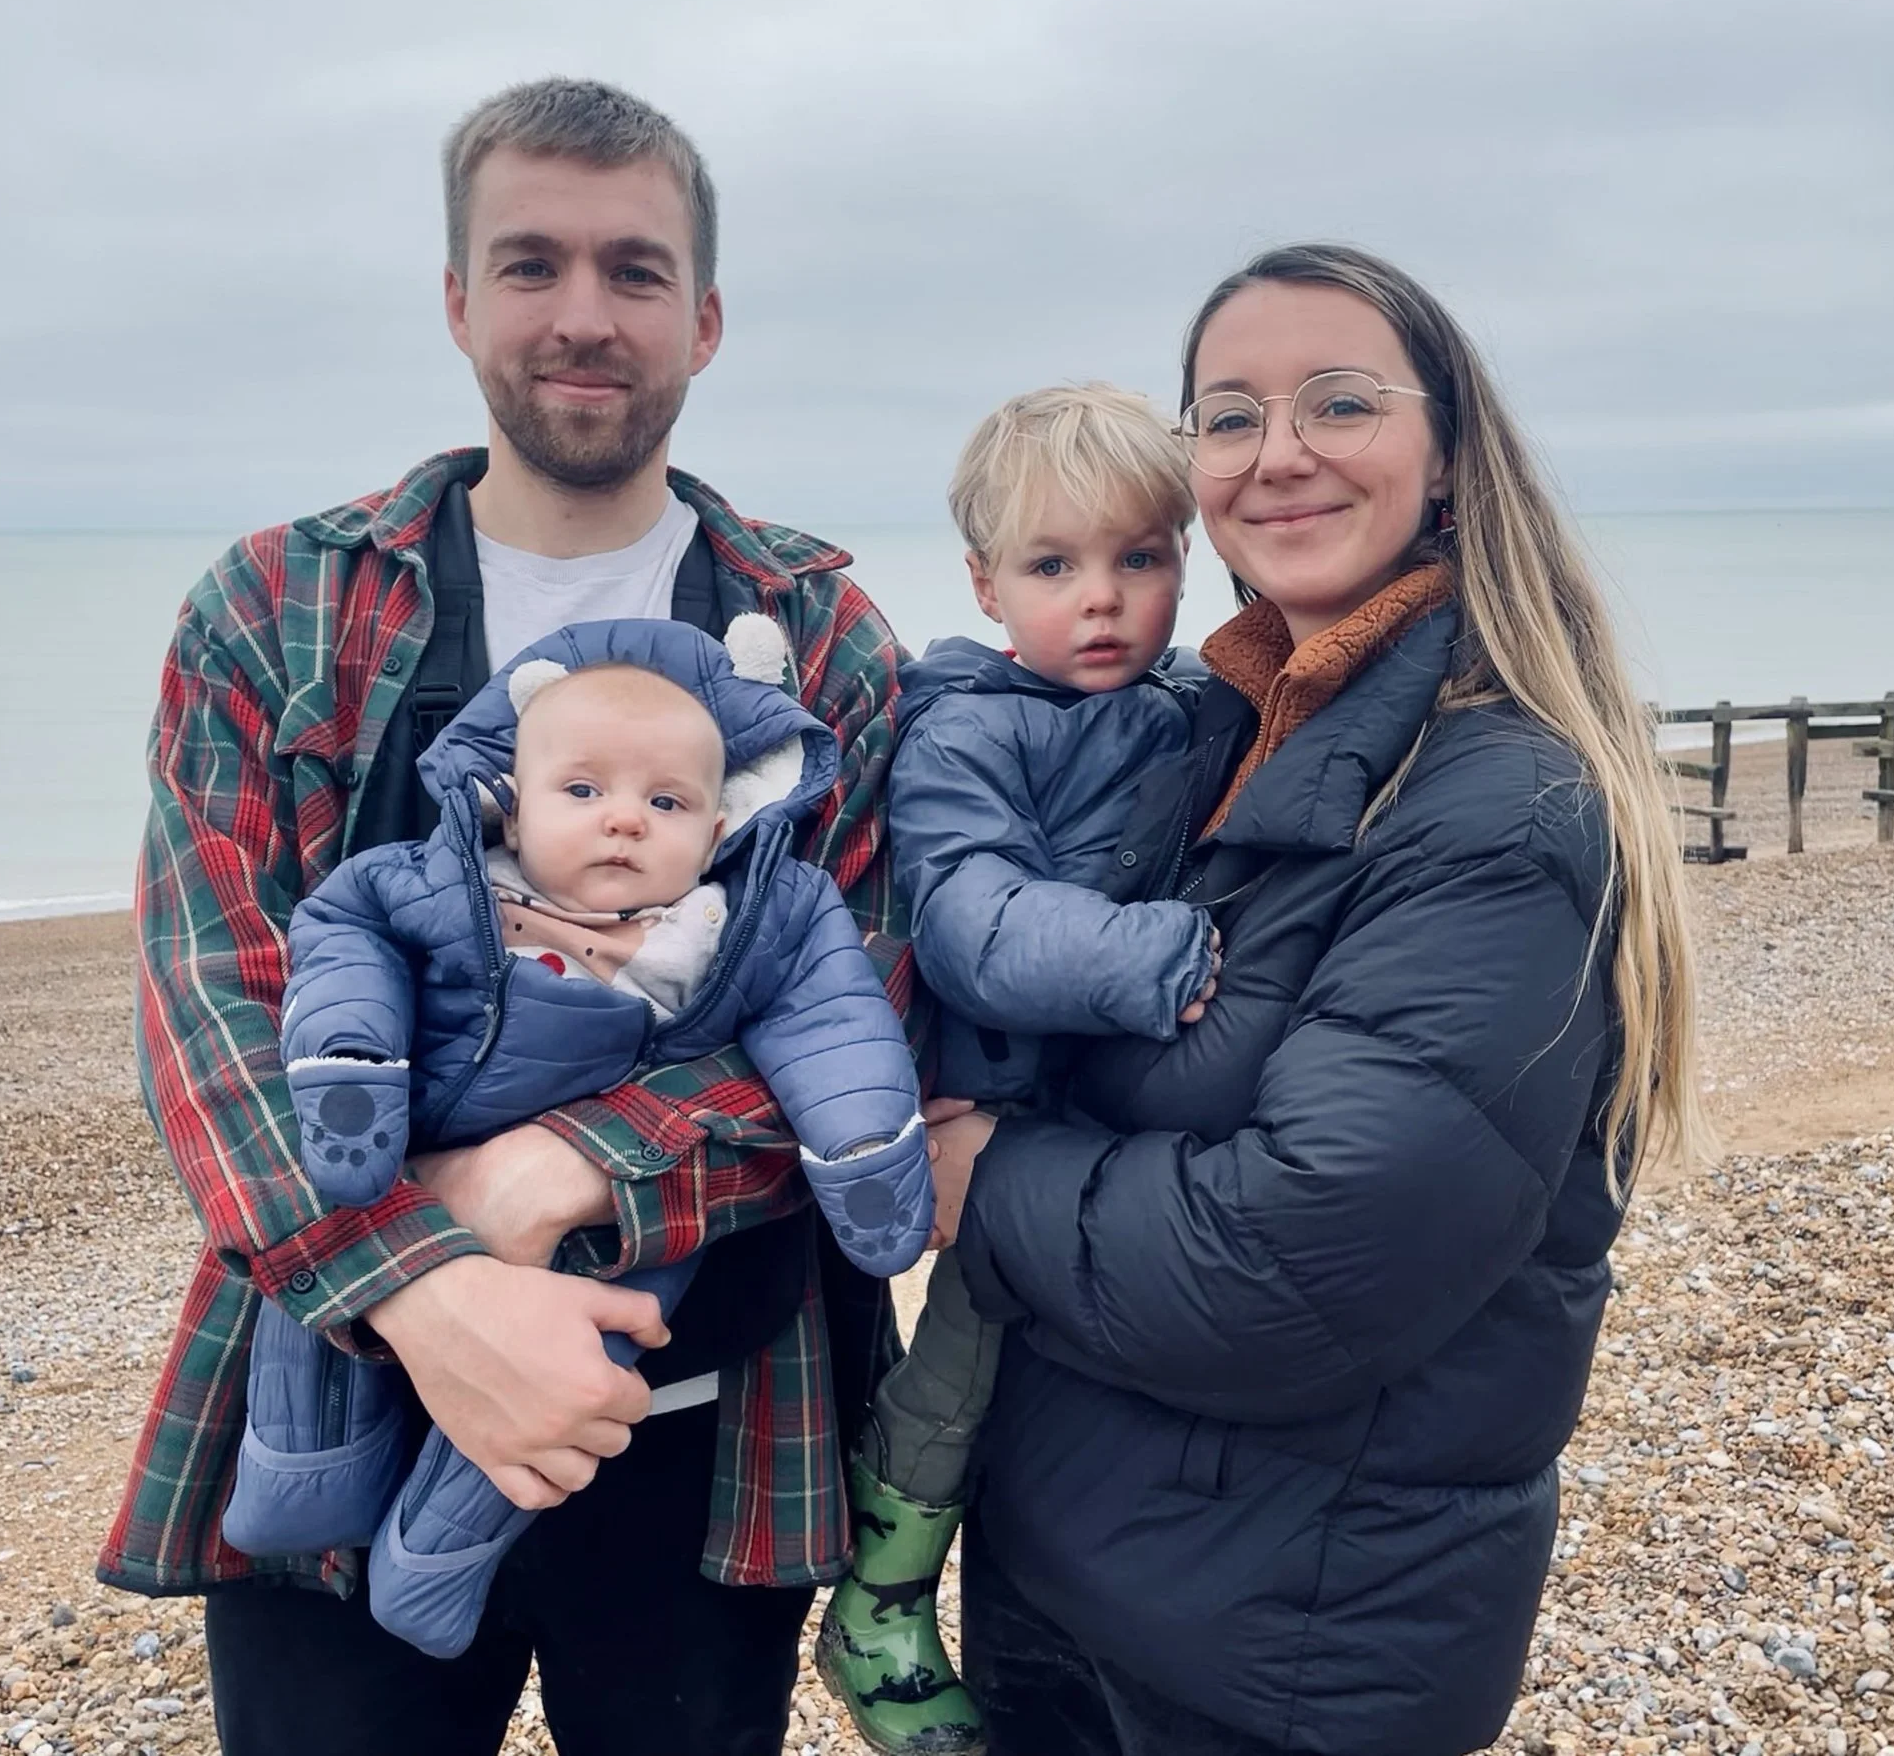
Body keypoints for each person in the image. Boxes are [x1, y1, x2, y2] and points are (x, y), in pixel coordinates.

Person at [96, 78, 914, 1756]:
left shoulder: (816, 635)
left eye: (633, 270)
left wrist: (566, 1169)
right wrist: (429, 1290)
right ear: (460, 300)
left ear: (705, 317)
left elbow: (864, 1003)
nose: (583, 317)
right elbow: (215, 1002)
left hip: (707, 1425)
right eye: (531, 265)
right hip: (342, 1382)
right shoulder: (280, 606)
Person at [932, 244, 1710, 1756]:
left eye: (1338, 401)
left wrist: (982, 1172)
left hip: (1279, 1648)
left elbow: (1292, 1260)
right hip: (1079, 1574)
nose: (1277, 451)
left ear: (1448, 455)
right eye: (1227, 415)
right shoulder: (1208, 731)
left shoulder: (1498, 795)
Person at [221, 620, 932, 1663]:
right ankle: (299, 1470)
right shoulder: (447, 879)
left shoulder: (733, 922)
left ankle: (436, 1560)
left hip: (625, 1241)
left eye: (667, 802)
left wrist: (865, 1147)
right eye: (583, 792)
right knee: (324, 1277)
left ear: (726, 815)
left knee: (586, 1370)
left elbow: (837, 1022)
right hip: (398, 1172)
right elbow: (337, 940)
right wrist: (350, 1065)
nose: (624, 824)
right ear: (513, 790)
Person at [815, 385, 1221, 1754]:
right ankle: (879, 1587)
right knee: (964, 1351)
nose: (1101, 600)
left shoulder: (1189, 701)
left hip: (1104, 1113)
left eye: (1139, 559)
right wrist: (1149, 954)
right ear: (987, 583)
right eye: (1055, 566)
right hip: (1008, 1105)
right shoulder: (974, 727)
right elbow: (974, 920)